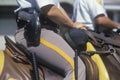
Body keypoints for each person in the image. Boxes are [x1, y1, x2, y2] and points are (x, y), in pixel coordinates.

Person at [14, 0, 86, 80]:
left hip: (42, 31)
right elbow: (50, 10)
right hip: (37, 33)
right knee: (77, 67)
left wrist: (72, 24)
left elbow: (57, 7)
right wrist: (72, 25)